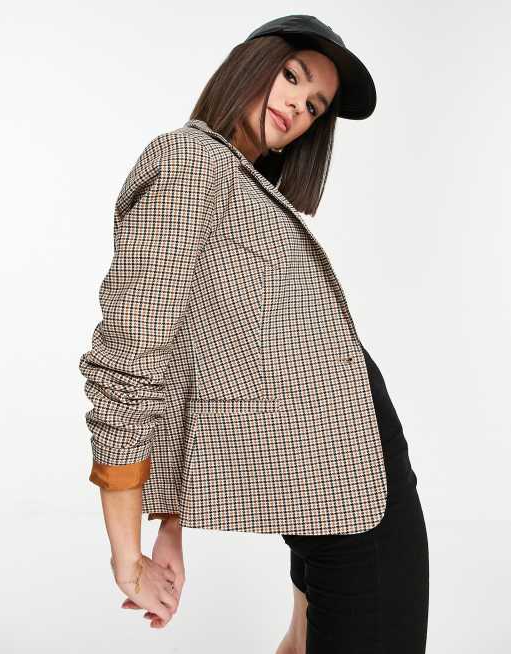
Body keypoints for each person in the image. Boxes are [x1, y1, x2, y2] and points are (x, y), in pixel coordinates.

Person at [79, 14, 429, 652]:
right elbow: (134, 351)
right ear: (251, 62)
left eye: (315, 105)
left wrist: (171, 521)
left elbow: (190, 356)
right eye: (292, 76)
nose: (298, 106)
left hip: (336, 482)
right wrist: (127, 556)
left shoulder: (237, 179)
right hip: (347, 496)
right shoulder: (189, 160)